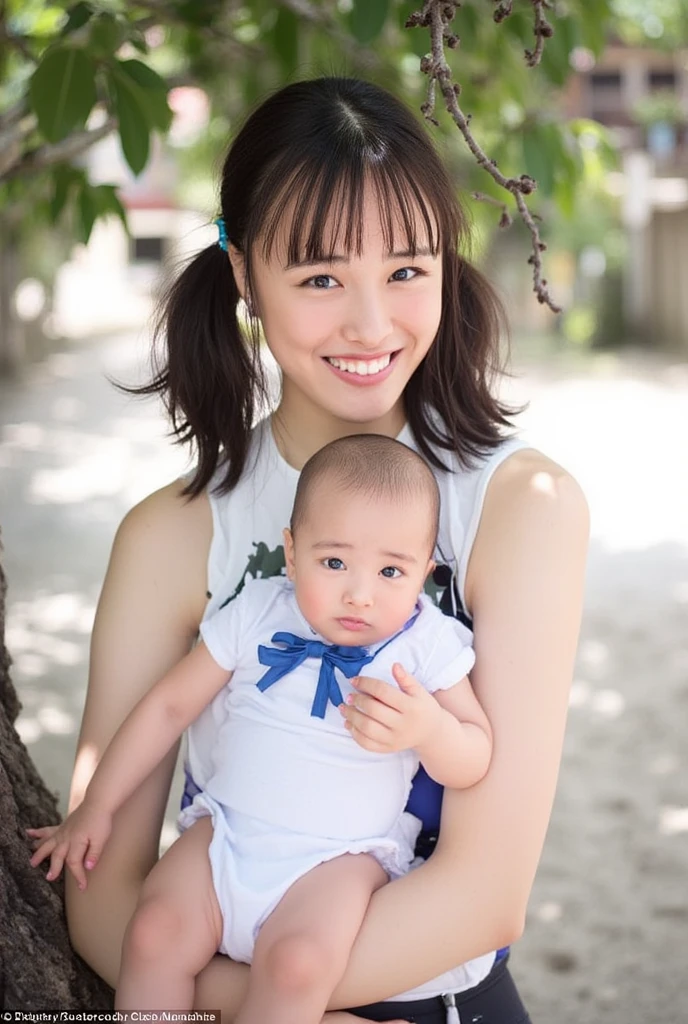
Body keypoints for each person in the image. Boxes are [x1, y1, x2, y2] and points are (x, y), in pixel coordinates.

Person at [30, 77, 589, 1023]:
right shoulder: (173, 533)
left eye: (407, 271)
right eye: (322, 276)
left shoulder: (519, 505)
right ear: (243, 274)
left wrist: (277, 997)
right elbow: (101, 887)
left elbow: (488, 894)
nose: (371, 325)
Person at [30, 435, 492, 1023]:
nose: (359, 592)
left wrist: (430, 731)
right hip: (225, 832)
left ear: (425, 573)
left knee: (297, 965)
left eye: (391, 570)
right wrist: (97, 803)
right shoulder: (258, 611)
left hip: (337, 860)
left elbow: (475, 754)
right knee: (151, 933)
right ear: (292, 553)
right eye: (333, 562)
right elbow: (169, 707)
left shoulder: (427, 644)